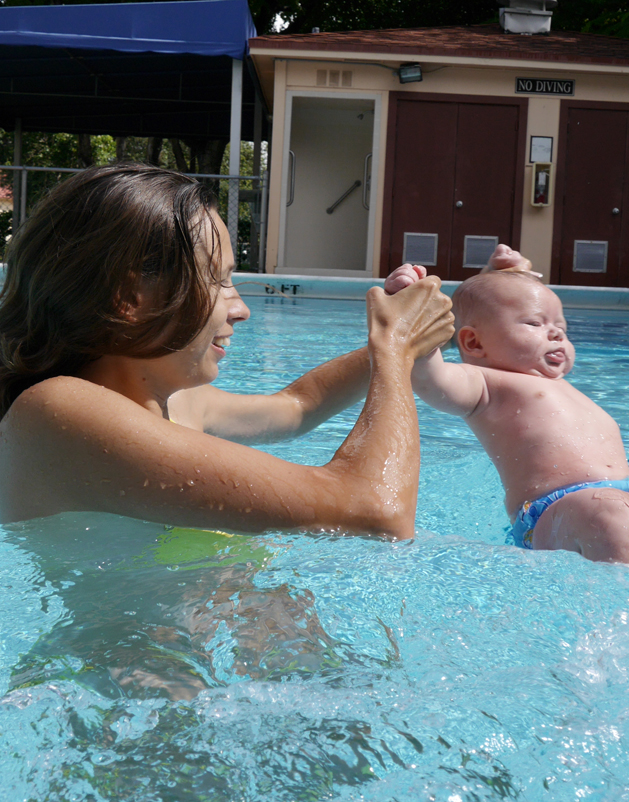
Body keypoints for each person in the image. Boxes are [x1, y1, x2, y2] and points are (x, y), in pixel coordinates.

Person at [0, 164, 454, 539]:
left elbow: (298, 406)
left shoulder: (174, 402)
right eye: (218, 281)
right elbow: (376, 509)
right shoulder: (57, 410)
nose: (241, 310)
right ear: (129, 296)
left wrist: (401, 339)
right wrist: (395, 349)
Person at [385, 246, 629, 594]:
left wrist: (513, 274)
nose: (555, 333)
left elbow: (509, 303)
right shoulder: (486, 386)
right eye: (534, 324)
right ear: (473, 344)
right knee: (612, 515)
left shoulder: (561, 388)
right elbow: (430, 379)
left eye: (562, 328)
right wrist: (412, 318)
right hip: (558, 515)